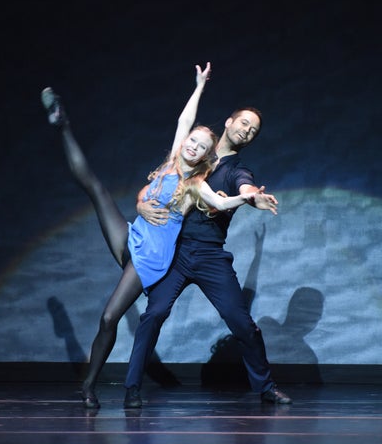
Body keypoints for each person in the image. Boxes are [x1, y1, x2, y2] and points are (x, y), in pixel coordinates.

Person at [41, 62, 276, 409]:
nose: (192, 146)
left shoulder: (196, 182)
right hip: (133, 236)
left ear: (206, 157)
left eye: (200, 146)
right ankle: (63, 125)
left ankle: (88, 385)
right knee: (95, 188)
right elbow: (184, 121)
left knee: (110, 318)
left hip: (149, 254)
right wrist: (199, 87)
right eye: (191, 141)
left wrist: (250, 197)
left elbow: (222, 202)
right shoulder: (170, 161)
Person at [123, 103, 293, 408]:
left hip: (210, 256)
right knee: (154, 314)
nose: (246, 131)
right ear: (229, 122)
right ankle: (132, 387)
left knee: (241, 323)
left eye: (252, 130)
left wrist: (253, 196)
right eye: (243, 123)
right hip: (175, 251)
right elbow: (160, 179)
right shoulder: (196, 152)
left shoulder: (236, 169)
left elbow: (246, 187)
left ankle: (266, 387)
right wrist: (139, 203)